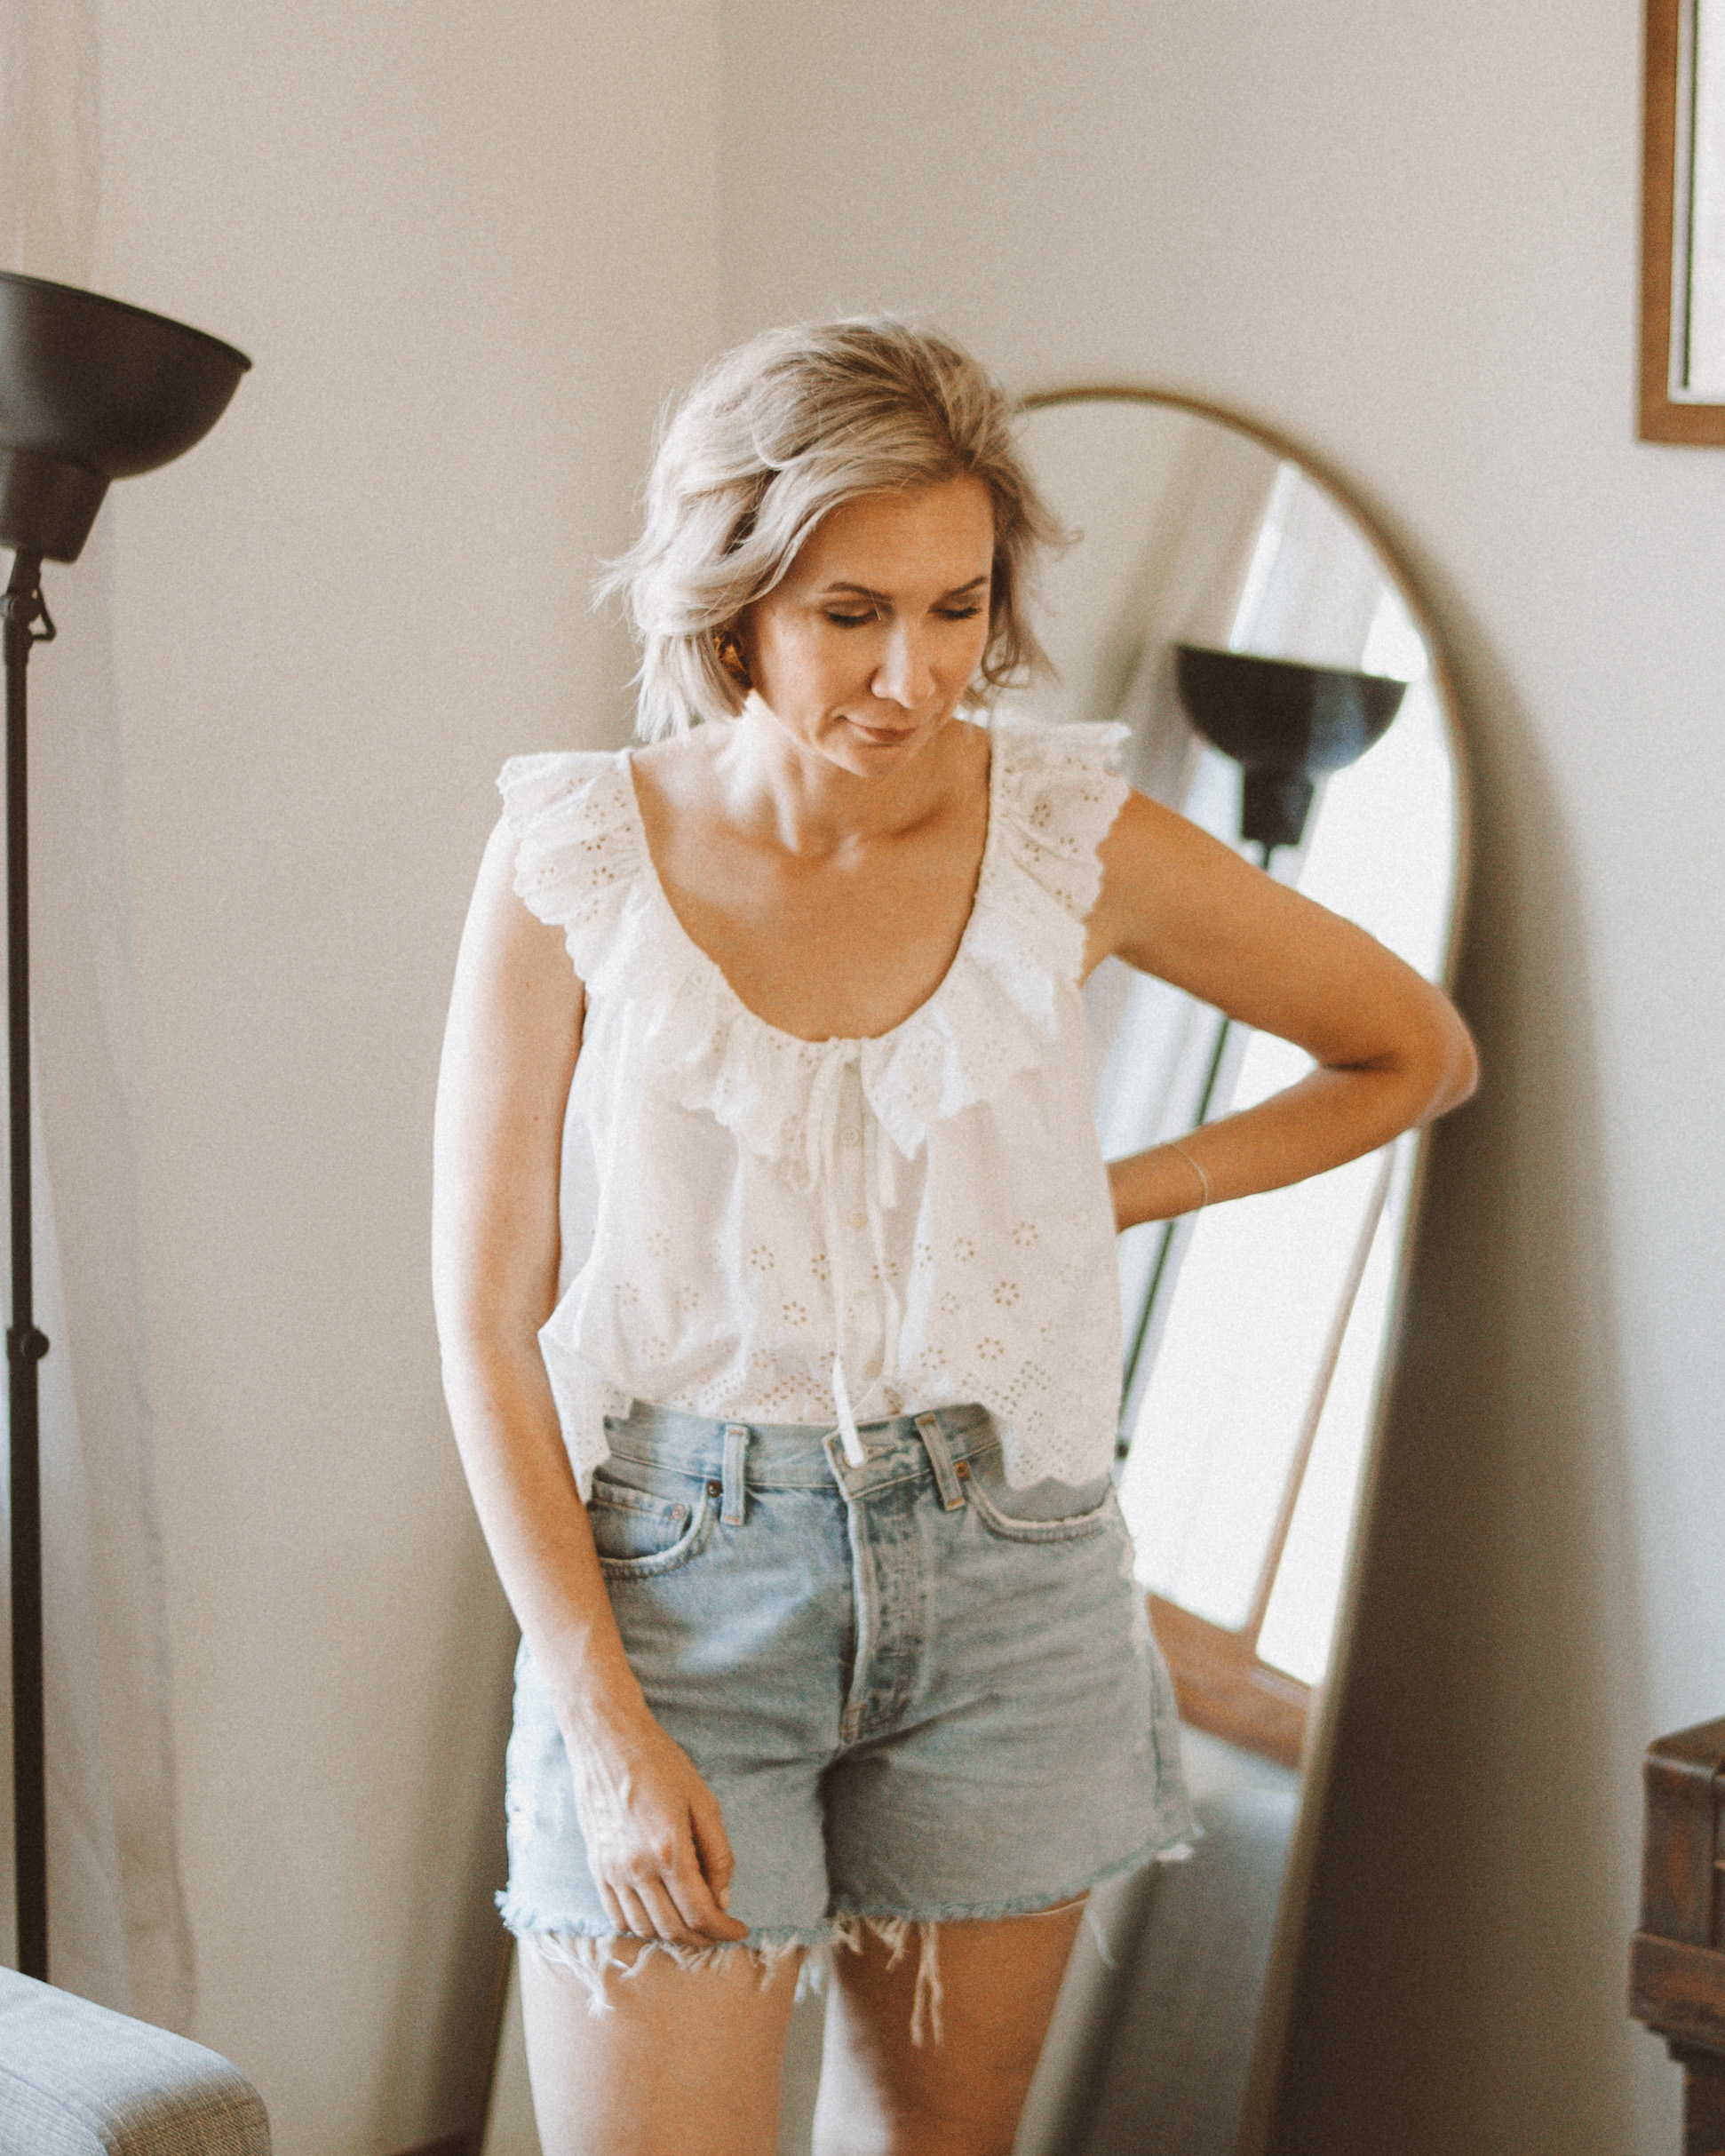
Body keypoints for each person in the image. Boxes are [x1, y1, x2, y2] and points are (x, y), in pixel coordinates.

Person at [432, 318, 1477, 2156]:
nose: (912, 673)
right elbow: (484, 1319)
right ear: (732, 600)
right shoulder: (573, 860)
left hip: (1011, 1579)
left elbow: (1412, 1049)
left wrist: (1108, 1192)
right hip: (679, 1591)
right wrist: (602, 1722)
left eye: (954, 605)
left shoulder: (1069, 830)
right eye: (851, 611)